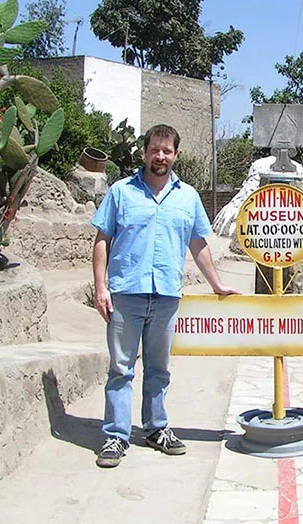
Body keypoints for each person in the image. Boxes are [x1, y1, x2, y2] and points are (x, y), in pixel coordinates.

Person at [91, 124, 238, 468]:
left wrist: (216, 284)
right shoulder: (120, 192)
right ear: (145, 152)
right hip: (126, 292)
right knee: (121, 368)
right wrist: (101, 287)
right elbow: (101, 240)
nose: (160, 156)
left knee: (159, 369)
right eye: (155, 150)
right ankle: (115, 436)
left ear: (176, 154)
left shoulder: (187, 197)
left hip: (167, 295)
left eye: (167, 151)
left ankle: (156, 429)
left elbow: (198, 244)